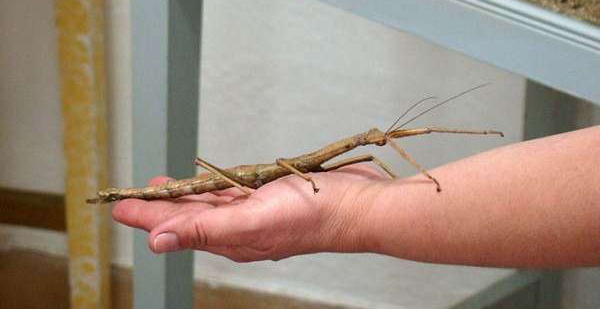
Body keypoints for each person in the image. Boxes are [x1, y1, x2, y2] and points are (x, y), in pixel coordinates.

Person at [112, 125, 600, 267]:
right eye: (373, 141)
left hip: (271, 175)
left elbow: (352, 166)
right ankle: (114, 194)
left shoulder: (342, 162)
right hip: (223, 178)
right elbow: (300, 168)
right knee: (197, 180)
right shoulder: (309, 168)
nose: (378, 142)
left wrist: (363, 204)